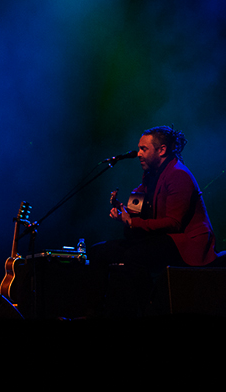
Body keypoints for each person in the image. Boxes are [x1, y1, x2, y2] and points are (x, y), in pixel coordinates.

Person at [88, 126, 218, 316]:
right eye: (138, 149)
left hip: (186, 243)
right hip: (163, 238)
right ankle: (95, 312)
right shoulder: (148, 177)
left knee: (135, 255)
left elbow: (174, 223)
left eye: (144, 149)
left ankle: (151, 309)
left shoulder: (178, 175)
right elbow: (135, 211)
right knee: (98, 251)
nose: (138, 154)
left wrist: (132, 222)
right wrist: (123, 211)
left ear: (162, 150)